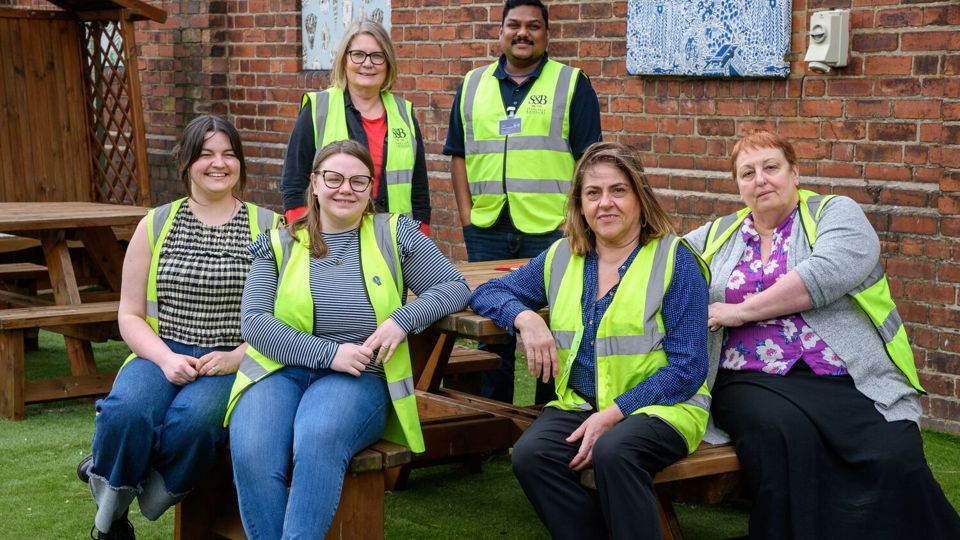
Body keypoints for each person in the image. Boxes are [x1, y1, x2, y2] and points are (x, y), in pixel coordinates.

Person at [685, 130, 960, 539]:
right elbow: (657, 266)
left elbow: (822, 276)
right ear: (738, 185)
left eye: (771, 167)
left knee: (893, 452)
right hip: (747, 377)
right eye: (747, 173)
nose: (760, 179)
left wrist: (738, 311)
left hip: (839, 372)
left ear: (795, 173)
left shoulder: (835, 214)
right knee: (782, 436)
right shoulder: (716, 235)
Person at [227, 139, 469, 538]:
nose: (345, 189)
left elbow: (453, 287)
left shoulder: (395, 233)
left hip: (357, 377)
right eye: (334, 178)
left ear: (371, 188)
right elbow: (254, 323)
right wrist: (328, 353)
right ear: (315, 183)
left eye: (358, 181)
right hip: (277, 371)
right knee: (253, 450)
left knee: (318, 436)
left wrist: (401, 320)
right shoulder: (279, 243)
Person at [470, 142, 710, 539]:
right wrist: (526, 317)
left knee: (614, 452)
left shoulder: (675, 259)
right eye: (593, 193)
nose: (606, 204)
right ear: (580, 205)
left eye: (618, 190)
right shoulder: (563, 256)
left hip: (662, 408)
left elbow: (688, 369)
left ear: (639, 196)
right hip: (581, 404)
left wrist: (613, 414)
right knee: (532, 456)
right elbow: (487, 292)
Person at [78, 115, 281, 539]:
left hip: (229, 354)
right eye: (206, 154)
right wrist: (166, 358)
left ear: (241, 163)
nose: (218, 163)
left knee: (193, 424)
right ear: (186, 161)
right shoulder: (155, 224)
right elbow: (130, 313)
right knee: (125, 413)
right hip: (161, 348)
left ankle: (132, 485)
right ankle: (112, 524)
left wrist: (236, 358)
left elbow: (283, 316)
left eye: (228, 154)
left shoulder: (269, 227)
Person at [444, 0, 602, 405]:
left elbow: (590, 161)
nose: (523, 33)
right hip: (487, 227)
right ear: (500, 32)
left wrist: (576, 223)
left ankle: (550, 411)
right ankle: (493, 419)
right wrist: (466, 214)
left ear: (547, 35)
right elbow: (457, 153)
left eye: (534, 26)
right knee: (491, 325)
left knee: (558, 324)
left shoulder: (572, 83)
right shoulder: (472, 84)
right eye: (514, 25)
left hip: (553, 230)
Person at [280, 19, 430, 235]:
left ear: (388, 63)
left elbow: (419, 192)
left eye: (377, 56)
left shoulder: (404, 114)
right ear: (344, 60)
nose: (367, 63)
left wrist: (419, 240)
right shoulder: (318, 109)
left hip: (395, 241)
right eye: (358, 54)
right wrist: (307, 238)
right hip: (332, 241)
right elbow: (294, 183)